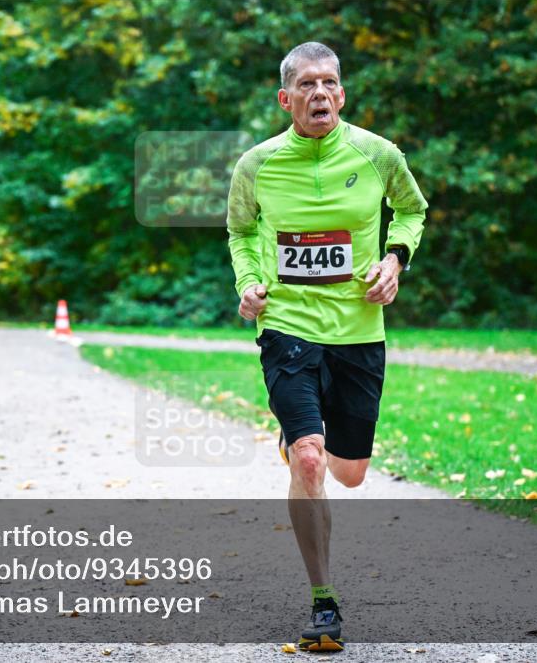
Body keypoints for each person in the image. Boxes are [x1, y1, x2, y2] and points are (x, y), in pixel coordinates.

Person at [226, 42, 428, 651]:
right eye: (307, 85)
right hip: (287, 327)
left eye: (330, 83)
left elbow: (413, 213)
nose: (321, 93)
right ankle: (323, 602)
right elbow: (239, 231)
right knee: (311, 460)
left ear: (342, 94)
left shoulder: (377, 154)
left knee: (351, 472)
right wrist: (249, 284)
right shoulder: (256, 165)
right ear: (285, 99)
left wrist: (396, 258)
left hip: (359, 330)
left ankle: (299, 434)